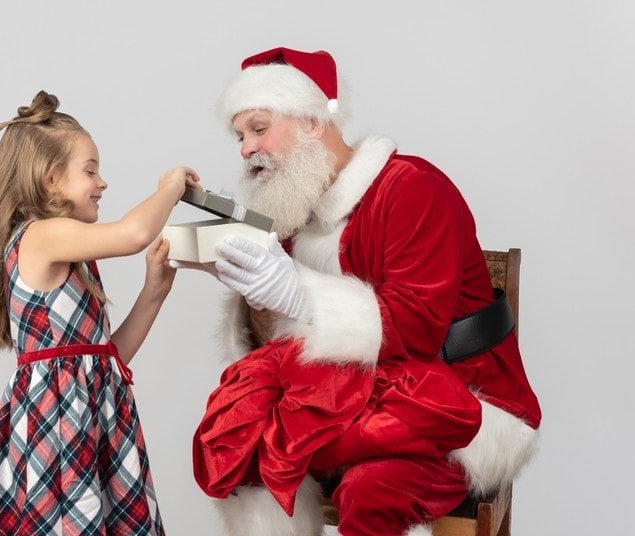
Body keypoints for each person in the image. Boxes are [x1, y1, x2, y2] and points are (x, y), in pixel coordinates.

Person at [182, 48, 542, 536]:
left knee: (368, 489)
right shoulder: (292, 216)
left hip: (454, 398)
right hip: (340, 396)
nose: (245, 148)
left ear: (312, 122)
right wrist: (254, 293)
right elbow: (277, 347)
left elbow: (415, 331)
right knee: (245, 455)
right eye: (240, 135)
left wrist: (297, 295)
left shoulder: (413, 187)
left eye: (259, 128)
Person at [0, 90, 201, 536]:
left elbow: (107, 361)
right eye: (90, 171)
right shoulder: (41, 235)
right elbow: (134, 233)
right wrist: (170, 189)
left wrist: (154, 291)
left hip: (97, 427)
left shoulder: (72, 254)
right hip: (57, 429)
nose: (102, 183)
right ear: (50, 179)